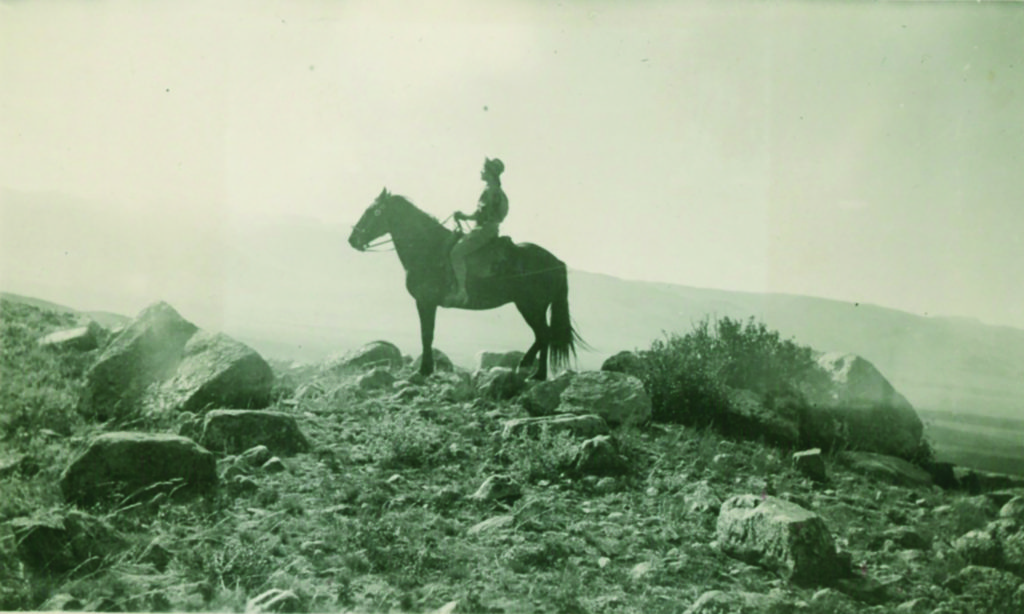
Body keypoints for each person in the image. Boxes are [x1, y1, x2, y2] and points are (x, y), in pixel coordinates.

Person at [449, 157, 509, 305]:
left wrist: (465, 216)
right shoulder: (496, 191)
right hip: (489, 228)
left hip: (484, 230)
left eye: (484, 170)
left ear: (490, 173)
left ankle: (461, 291)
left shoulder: (490, 191)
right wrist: (465, 216)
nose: (481, 172)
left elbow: (481, 214)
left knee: (456, 253)